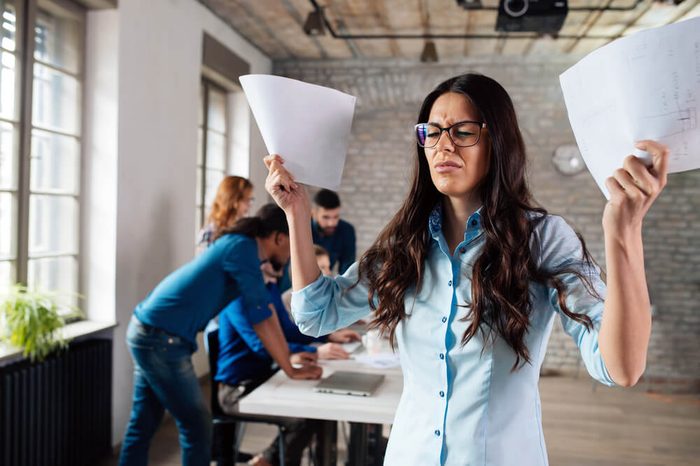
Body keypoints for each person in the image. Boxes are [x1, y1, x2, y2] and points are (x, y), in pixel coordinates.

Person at [263, 73, 669, 465]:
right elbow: (315, 314)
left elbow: (620, 367)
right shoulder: (405, 244)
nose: (444, 146)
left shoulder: (543, 238)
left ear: (498, 141)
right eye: (434, 132)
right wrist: (296, 213)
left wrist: (625, 232)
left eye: (463, 131)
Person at [119, 204, 321, 466]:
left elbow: (266, 313)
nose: (292, 255)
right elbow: (261, 318)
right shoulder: (242, 249)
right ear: (279, 238)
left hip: (148, 331)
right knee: (197, 425)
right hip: (161, 338)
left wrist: (289, 364)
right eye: (291, 245)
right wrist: (290, 369)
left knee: (143, 422)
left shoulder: (243, 248)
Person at [216, 277, 360, 466]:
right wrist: (314, 351)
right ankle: (269, 459)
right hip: (237, 390)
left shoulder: (269, 288)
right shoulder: (236, 296)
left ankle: (267, 459)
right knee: (302, 420)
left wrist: (327, 336)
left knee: (316, 411)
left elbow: (288, 331)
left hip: (266, 379)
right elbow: (260, 345)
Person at [197, 175, 254, 253]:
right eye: (246, 199)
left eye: (251, 200)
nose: (249, 204)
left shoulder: (245, 231)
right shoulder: (209, 234)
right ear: (234, 200)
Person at [311, 189, 356, 274]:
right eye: (326, 217)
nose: (331, 223)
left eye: (336, 217)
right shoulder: (303, 229)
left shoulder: (346, 230)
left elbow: (347, 269)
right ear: (313, 214)